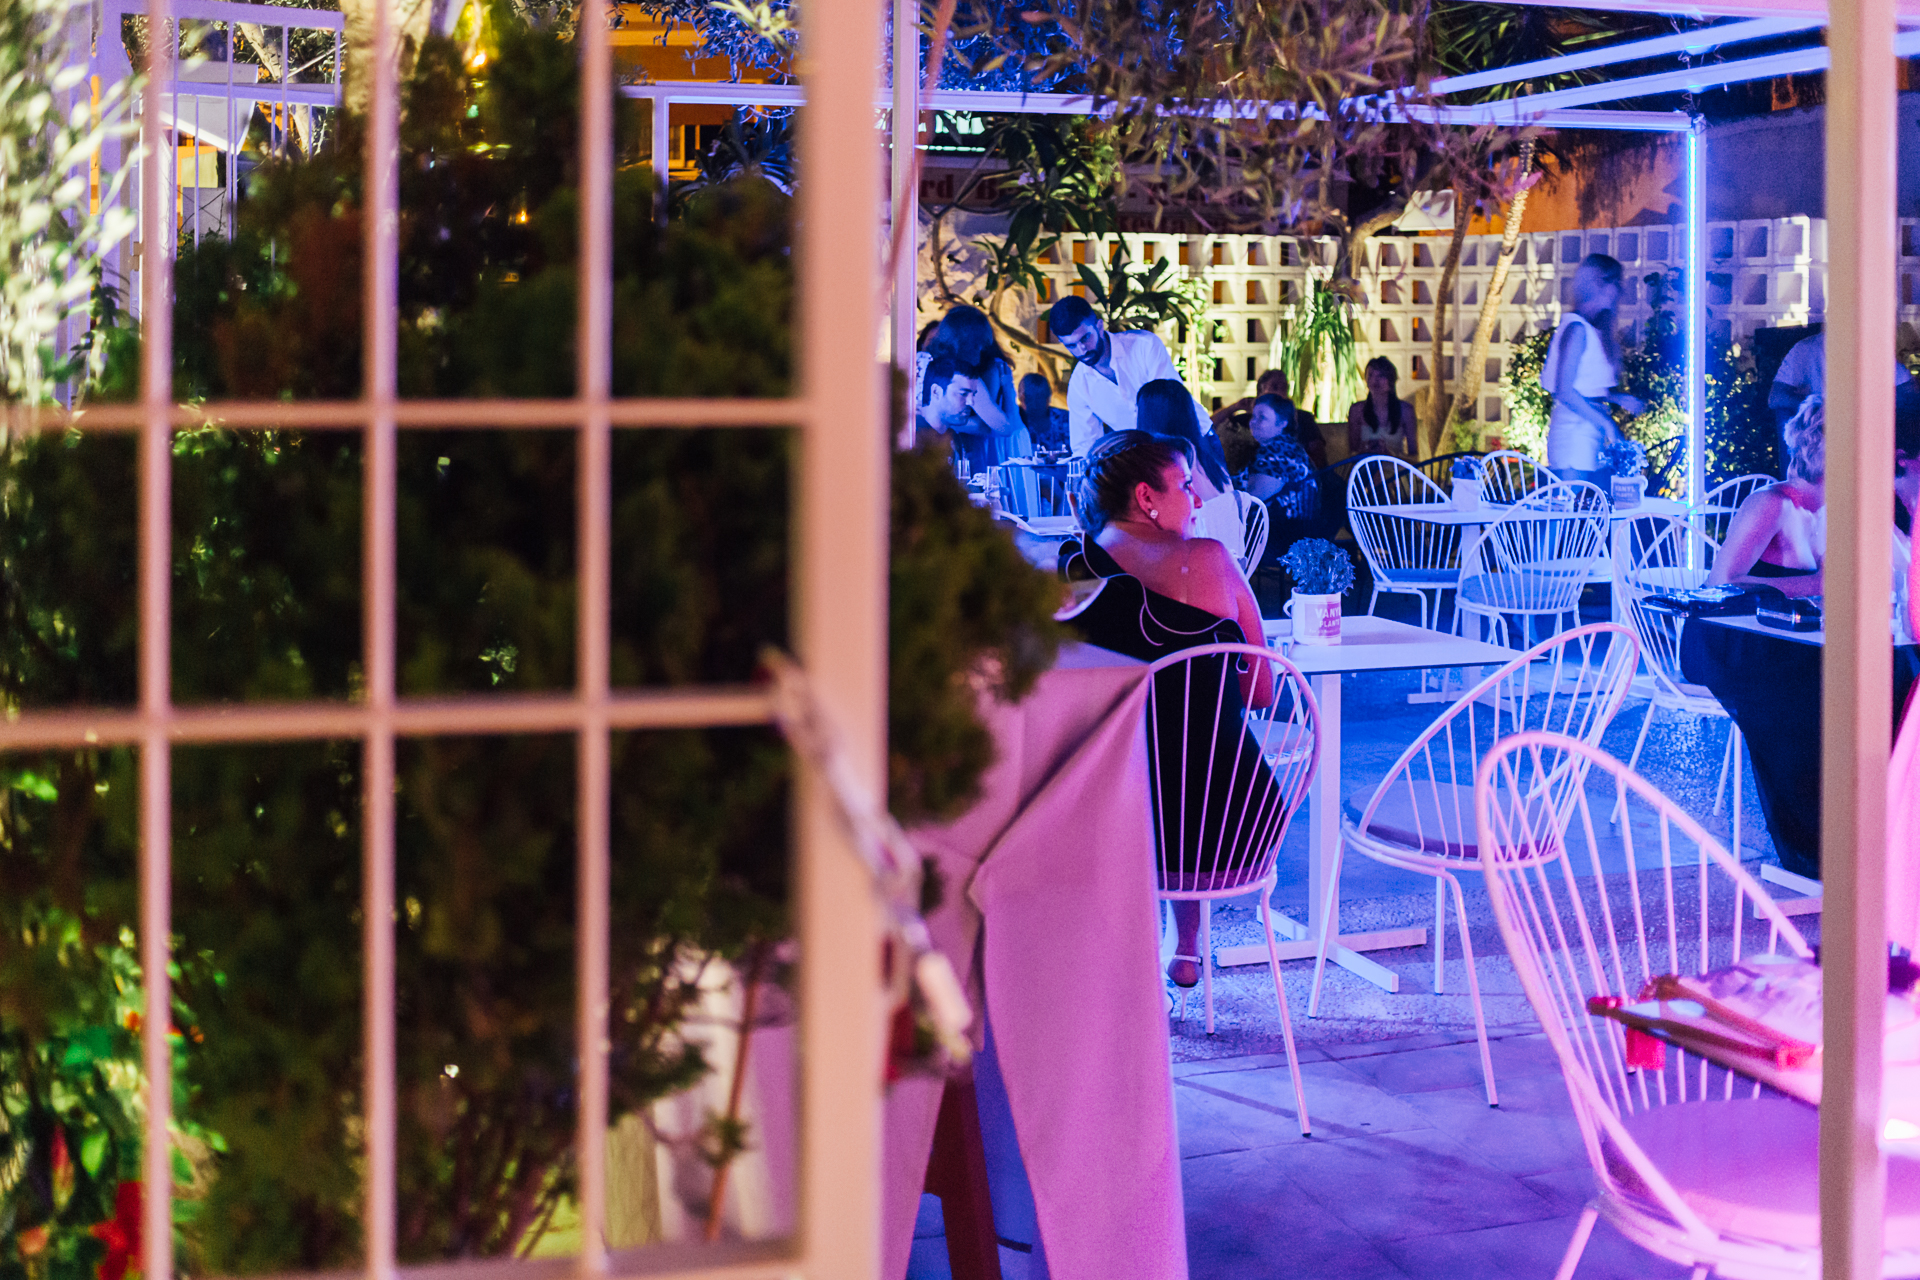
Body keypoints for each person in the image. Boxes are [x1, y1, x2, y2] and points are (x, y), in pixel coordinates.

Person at [1054, 431, 1281, 989]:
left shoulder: (1068, 570)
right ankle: (1187, 946)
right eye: (1185, 485)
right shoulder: (1210, 561)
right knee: (1197, 746)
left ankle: (1110, 957)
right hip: (1224, 824)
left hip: (1096, 816)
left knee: (1146, 755)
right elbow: (1261, 694)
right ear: (1146, 498)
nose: (1198, 500)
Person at [1541, 253, 1646, 488]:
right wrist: (1607, 424)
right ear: (1601, 283)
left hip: (1587, 431)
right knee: (1569, 517)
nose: (1620, 293)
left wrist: (1617, 399)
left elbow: (1583, 388)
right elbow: (1564, 391)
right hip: (1573, 434)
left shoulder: (1588, 329)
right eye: (1617, 284)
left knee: (1583, 517)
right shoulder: (1577, 329)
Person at [1708, 396, 1826, 598]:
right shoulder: (1772, 503)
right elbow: (1719, 583)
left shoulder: (1832, 511)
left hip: (1785, 628)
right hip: (1731, 626)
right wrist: (1814, 585)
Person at [1048, 295, 1190, 454]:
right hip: (1148, 456)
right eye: (1071, 345)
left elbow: (1170, 405)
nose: (1082, 349)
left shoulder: (1144, 346)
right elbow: (1085, 447)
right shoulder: (1079, 385)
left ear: (1099, 326)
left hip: (1192, 439)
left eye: (1086, 338)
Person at [1135, 378, 1251, 556]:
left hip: (1197, 556)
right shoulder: (1206, 454)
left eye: (1138, 410)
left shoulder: (1174, 458)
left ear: (1149, 415)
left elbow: (1160, 516)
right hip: (1229, 554)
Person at [920, 305, 1029, 470]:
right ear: (967, 344)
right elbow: (1002, 426)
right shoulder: (964, 374)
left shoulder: (920, 360)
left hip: (922, 447)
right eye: (979, 345)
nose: (981, 351)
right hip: (954, 452)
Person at [1768, 328, 1912, 432]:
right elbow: (1775, 398)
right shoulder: (1805, 349)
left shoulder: (1871, 350)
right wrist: (1820, 407)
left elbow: (1909, 392)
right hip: (1819, 439)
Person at [1213, 369, 1327, 470]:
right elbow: (1206, 427)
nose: (1281, 392)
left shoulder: (1303, 418)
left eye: (1284, 388)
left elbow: (1319, 457)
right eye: (1275, 387)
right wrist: (1235, 406)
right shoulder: (1247, 420)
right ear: (1260, 391)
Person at [1237, 393, 1315, 514]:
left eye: (1262, 417)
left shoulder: (1280, 452)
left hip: (1278, 528)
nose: (1253, 422)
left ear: (1282, 423)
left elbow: (1255, 497)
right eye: (1253, 416)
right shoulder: (1285, 446)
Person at [1346, 356, 1418, 461]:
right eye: (1370, 375)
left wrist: (1390, 455)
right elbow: (1352, 453)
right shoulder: (1357, 410)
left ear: (1391, 381)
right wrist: (1366, 450)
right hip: (1367, 468)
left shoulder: (1405, 410)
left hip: (1395, 470)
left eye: (1381, 375)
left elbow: (1414, 457)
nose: (1375, 380)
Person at [915, 356, 978, 456]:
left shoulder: (954, 439)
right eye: (963, 394)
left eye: (973, 395)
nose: (971, 402)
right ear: (936, 392)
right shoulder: (911, 437)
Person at [1020, 371, 1072, 455]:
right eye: (1031, 398)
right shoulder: (1016, 421)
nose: (1036, 403)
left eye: (1040, 397)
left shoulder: (1065, 418)